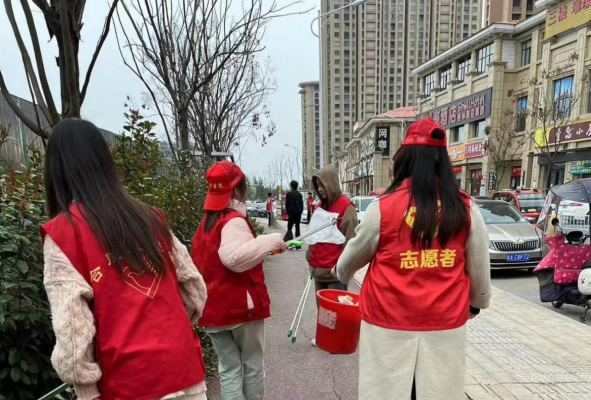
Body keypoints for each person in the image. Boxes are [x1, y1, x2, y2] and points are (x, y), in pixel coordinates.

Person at [41, 119, 208, 400]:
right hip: (183, 370)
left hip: (126, 382)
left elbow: (72, 328)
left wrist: (84, 384)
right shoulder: (150, 219)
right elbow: (195, 292)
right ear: (105, 161)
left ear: (55, 170)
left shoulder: (64, 234)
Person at [334, 118, 491, 400]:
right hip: (444, 322)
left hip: (388, 321)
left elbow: (348, 264)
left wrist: (340, 274)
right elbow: (479, 269)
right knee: (439, 391)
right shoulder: (465, 208)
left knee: (386, 391)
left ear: (405, 159)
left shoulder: (383, 208)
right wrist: (478, 303)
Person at [192, 161, 287, 400]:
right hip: (240, 307)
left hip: (213, 309)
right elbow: (233, 258)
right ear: (236, 189)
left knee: (229, 369)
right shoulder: (233, 220)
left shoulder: (205, 224)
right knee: (252, 365)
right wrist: (270, 241)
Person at [307, 164, 358, 293]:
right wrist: (309, 255)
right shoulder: (319, 207)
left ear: (331, 183)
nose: (320, 189)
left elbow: (351, 244)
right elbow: (314, 235)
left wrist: (342, 269)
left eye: (322, 185)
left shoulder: (347, 208)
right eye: (317, 186)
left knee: (335, 306)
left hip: (335, 276)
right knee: (321, 307)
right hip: (318, 272)